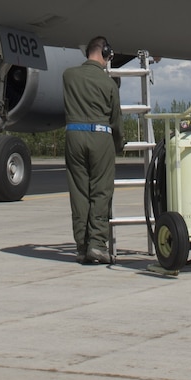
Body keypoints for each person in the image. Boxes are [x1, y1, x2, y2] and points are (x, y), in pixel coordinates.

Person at [62, 35, 124, 265]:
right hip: (100, 137)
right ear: (105, 53)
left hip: (74, 136)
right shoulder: (109, 83)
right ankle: (97, 244)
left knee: (79, 192)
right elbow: (116, 119)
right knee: (101, 191)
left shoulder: (68, 76)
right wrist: (119, 143)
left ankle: (81, 246)